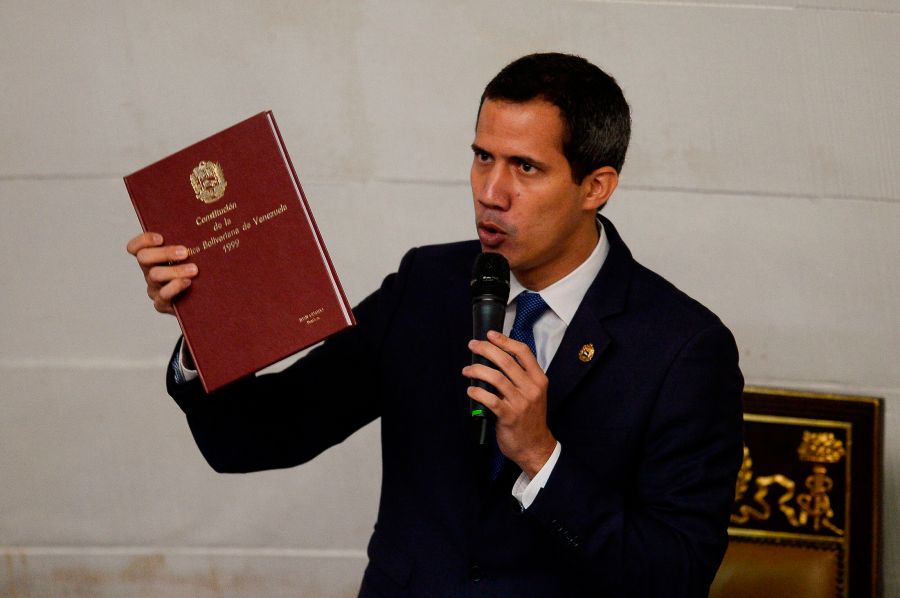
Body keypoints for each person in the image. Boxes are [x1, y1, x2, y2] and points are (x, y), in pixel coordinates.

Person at [127, 52, 743, 597]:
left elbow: (676, 575)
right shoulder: (427, 285)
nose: (491, 191)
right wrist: (207, 317)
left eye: (525, 168)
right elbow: (264, 436)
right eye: (482, 157)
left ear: (596, 186)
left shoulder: (684, 348)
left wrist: (541, 456)